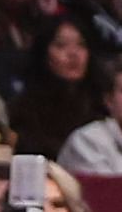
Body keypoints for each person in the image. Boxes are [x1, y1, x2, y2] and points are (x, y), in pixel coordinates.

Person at [6, 16, 99, 157]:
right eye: (61, 45)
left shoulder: (103, 102)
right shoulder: (25, 108)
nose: (73, 54)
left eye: (81, 45)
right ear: (44, 53)